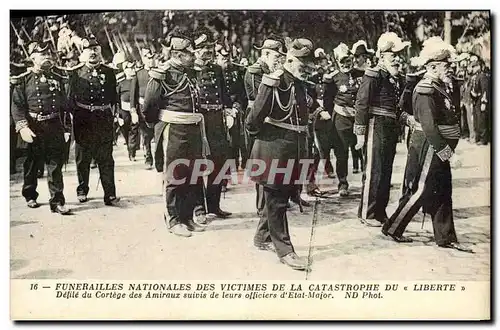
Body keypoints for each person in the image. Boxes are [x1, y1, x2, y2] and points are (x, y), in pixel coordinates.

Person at [381, 38, 473, 253]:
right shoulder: (425, 89)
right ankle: (393, 227)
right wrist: (448, 153)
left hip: (437, 146)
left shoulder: (439, 86)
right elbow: (430, 127)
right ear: (432, 67)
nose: (450, 68)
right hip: (431, 147)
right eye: (446, 65)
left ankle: (445, 237)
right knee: (420, 191)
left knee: (442, 191)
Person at [246, 37, 316, 271]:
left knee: (280, 197)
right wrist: (266, 142)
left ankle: (262, 237)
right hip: (274, 149)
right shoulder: (274, 81)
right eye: (302, 65)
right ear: (289, 59)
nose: (306, 70)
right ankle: (285, 250)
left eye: (309, 66)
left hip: (293, 149)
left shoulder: (300, 82)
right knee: (276, 200)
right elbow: (253, 120)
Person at [142, 29, 206, 237]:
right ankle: (173, 219)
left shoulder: (191, 72)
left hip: (193, 128)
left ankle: (187, 217)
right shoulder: (163, 74)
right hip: (174, 129)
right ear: (178, 54)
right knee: (175, 175)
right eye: (189, 53)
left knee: (191, 175)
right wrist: (159, 127)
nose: (194, 55)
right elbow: (150, 106)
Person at [354, 32, 409, 227]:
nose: (397, 59)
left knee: (385, 171)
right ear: (382, 56)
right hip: (375, 125)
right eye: (393, 55)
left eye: (398, 55)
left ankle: (379, 211)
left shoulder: (395, 78)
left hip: (390, 128)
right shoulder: (373, 74)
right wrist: (360, 134)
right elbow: (361, 104)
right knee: (374, 170)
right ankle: (367, 213)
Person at [10, 42, 71, 214]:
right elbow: (17, 106)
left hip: (53, 126)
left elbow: (64, 106)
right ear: (33, 58)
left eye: (49, 54)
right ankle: (30, 195)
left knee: (55, 164)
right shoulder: (23, 80)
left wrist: (66, 128)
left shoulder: (57, 78)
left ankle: (57, 200)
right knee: (32, 164)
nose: (47, 57)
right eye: (43, 55)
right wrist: (22, 127)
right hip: (33, 127)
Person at [66, 37, 120, 206]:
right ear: (83, 52)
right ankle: (82, 189)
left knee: (106, 158)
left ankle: (110, 194)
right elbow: (69, 100)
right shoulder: (76, 73)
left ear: (99, 52)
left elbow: (114, 98)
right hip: (83, 120)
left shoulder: (109, 72)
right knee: (83, 158)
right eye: (89, 50)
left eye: (96, 49)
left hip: (103, 118)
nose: (93, 52)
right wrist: (77, 118)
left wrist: (114, 116)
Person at [243, 35, 286, 217]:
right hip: (258, 121)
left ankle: (272, 206)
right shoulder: (254, 72)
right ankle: (263, 209)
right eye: (277, 56)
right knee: (262, 166)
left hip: (271, 122)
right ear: (266, 54)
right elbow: (261, 97)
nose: (280, 60)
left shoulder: (272, 70)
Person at [192, 29, 232, 219]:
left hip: (217, 121)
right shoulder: (190, 70)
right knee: (198, 165)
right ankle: (199, 207)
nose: (207, 51)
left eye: (209, 47)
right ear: (194, 50)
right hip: (199, 122)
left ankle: (214, 205)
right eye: (202, 48)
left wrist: (230, 110)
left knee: (219, 162)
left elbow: (224, 95)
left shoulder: (217, 69)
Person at [324, 43, 364, 197]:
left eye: (348, 61)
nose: (345, 64)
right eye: (342, 62)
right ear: (336, 62)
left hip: (358, 119)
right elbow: (328, 100)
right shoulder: (333, 78)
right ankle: (343, 183)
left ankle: (366, 181)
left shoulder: (361, 74)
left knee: (362, 150)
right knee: (341, 152)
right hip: (341, 119)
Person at [131, 48, 156, 169]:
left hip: (157, 109)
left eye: (152, 57)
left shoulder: (159, 73)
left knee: (158, 134)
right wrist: (133, 111)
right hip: (142, 109)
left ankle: (159, 159)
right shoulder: (139, 73)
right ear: (143, 59)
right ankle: (148, 158)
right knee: (146, 135)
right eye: (147, 57)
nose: (150, 60)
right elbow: (133, 95)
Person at [117, 60, 140, 161]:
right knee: (125, 131)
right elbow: (116, 99)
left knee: (134, 131)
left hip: (134, 110)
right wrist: (118, 114)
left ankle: (132, 153)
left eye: (132, 68)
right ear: (125, 70)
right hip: (123, 111)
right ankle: (129, 148)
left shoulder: (137, 82)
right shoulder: (121, 83)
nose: (131, 70)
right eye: (129, 68)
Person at [470, 56, 490, 145]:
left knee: (482, 120)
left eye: (474, 66)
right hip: (476, 101)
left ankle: (483, 139)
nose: (473, 68)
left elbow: (485, 90)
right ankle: (478, 138)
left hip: (480, 101)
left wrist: (484, 102)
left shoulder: (482, 76)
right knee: (477, 120)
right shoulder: (476, 76)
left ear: (478, 66)